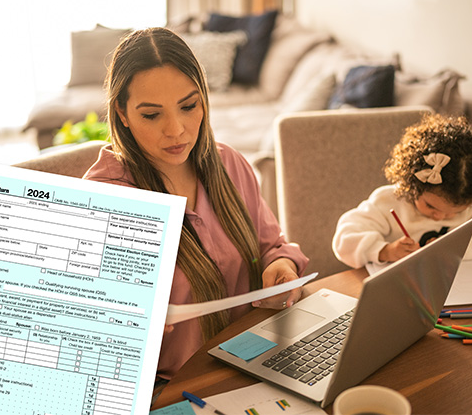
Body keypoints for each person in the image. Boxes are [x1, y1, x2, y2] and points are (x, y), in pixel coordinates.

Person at [82, 27, 309, 382]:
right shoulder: (106, 201)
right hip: (173, 389)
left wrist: (280, 265)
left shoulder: (229, 164)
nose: (177, 130)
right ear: (122, 114)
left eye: (188, 106)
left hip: (256, 360)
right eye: (152, 115)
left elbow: (271, 245)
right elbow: (85, 331)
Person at [333, 113, 472, 276]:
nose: (440, 216)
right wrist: (384, 250)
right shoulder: (390, 200)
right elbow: (345, 237)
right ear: (414, 184)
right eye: (430, 206)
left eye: (455, 212)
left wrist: (448, 249)